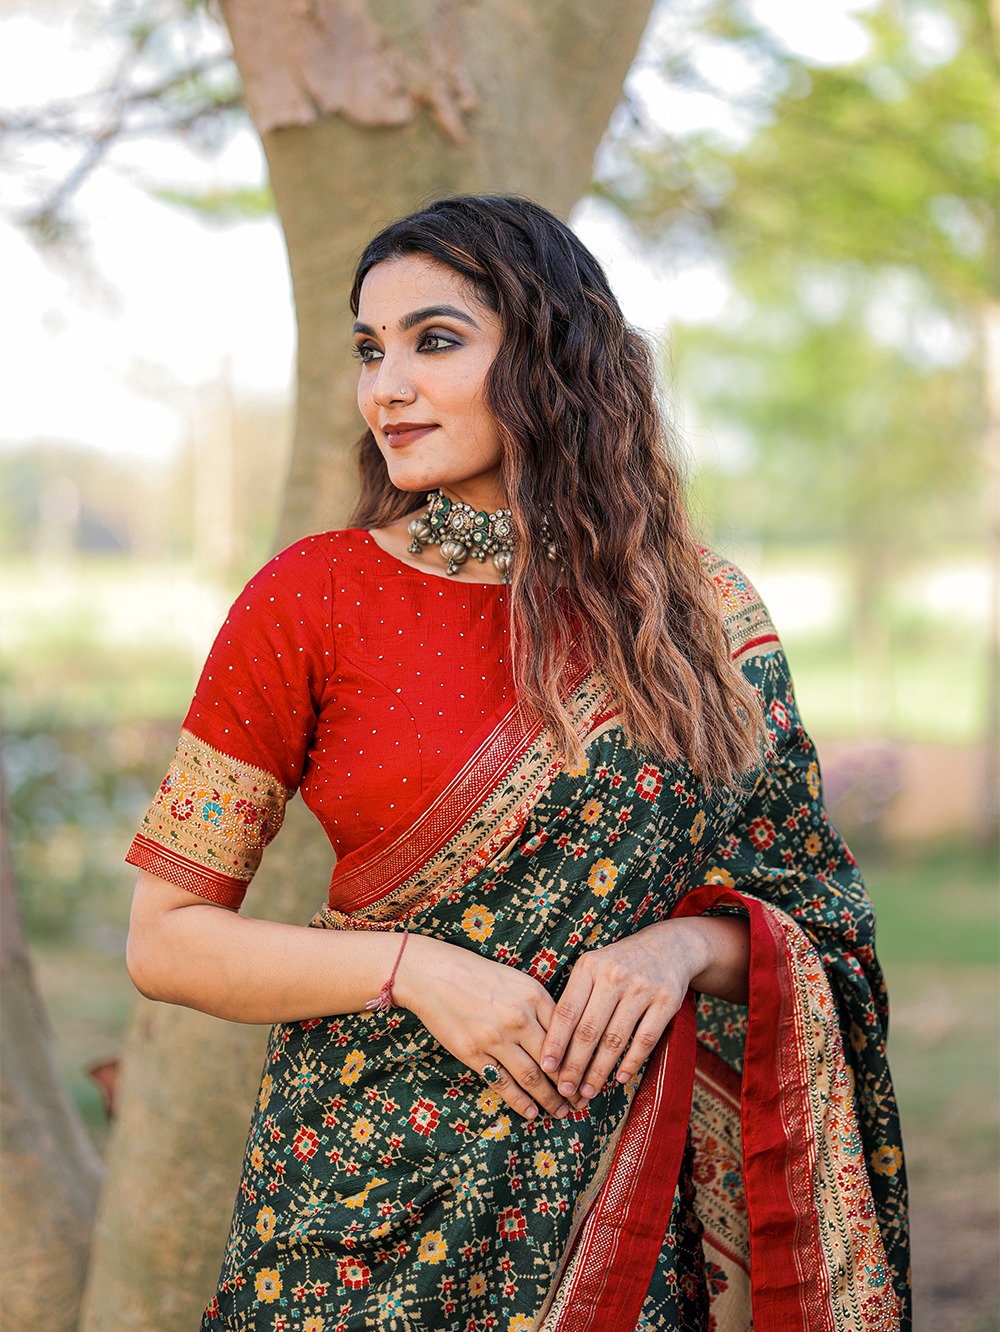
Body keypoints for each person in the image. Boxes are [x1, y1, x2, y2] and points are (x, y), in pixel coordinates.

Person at [125, 195, 910, 1331]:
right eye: (370, 349)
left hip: (623, 1212)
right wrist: (414, 970)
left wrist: (680, 948)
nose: (387, 387)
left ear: (553, 354)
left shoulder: (702, 617)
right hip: (355, 1212)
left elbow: (817, 915)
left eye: (434, 341)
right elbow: (166, 940)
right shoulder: (314, 598)